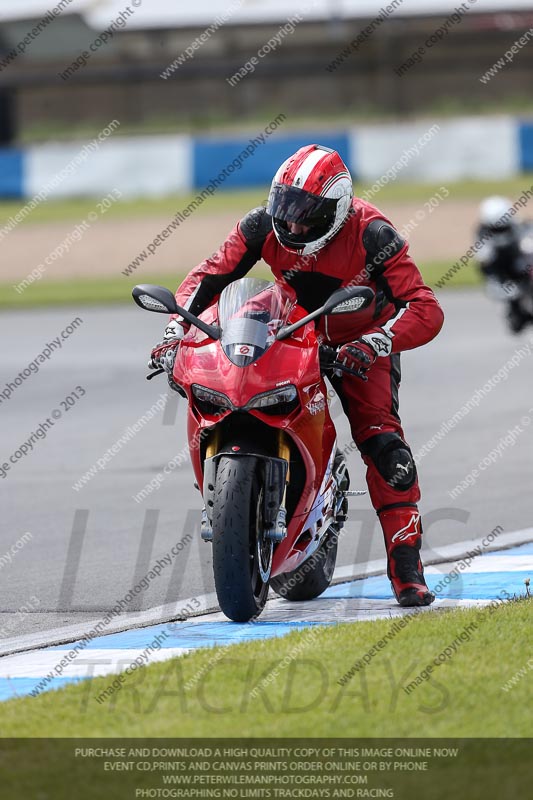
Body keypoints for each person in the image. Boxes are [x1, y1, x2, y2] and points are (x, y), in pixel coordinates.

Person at [150, 144, 444, 607]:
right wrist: (173, 331)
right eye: (285, 210)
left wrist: (375, 343)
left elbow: (427, 308)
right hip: (290, 327)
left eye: (308, 216)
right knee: (227, 374)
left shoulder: (374, 236)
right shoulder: (260, 225)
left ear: (339, 209)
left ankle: (407, 569)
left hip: (360, 340)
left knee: (385, 446)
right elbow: (208, 277)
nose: (293, 225)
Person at [476, 196, 533, 333]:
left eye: (503, 227)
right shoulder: (481, 235)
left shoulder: (518, 226)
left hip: (519, 264)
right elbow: (484, 260)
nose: (501, 231)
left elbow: (528, 236)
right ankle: (518, 314)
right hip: (500, 275)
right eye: (496, 228)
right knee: (516, 323)